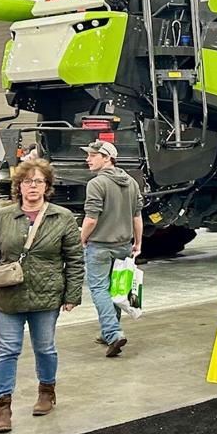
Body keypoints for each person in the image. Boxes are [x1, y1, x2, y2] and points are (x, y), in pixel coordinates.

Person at [0, 158, 83, 432]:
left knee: (45, 348)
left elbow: (74, 259)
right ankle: (2, 407)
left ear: (47, 186)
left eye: (38, 181)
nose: (33, 186)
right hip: (7, 297)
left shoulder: (62, 217)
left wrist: (72, 294)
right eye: (27, 181)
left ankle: (46, 392)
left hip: (47, 295)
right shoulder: (1, 218)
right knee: (7, 350)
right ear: (18, 186)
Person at [78, 139, 143, 358]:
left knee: (99, 289)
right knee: (115, 290)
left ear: (107, 158)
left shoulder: (96, 184)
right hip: (123, 246)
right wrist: (138, 242)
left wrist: (81, 239)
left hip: (100, 246)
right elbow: (137, 216)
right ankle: (110, 333)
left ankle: (113, 333)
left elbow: (91, 219)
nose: (88, 159)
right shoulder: (131, 182)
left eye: (92, 155)